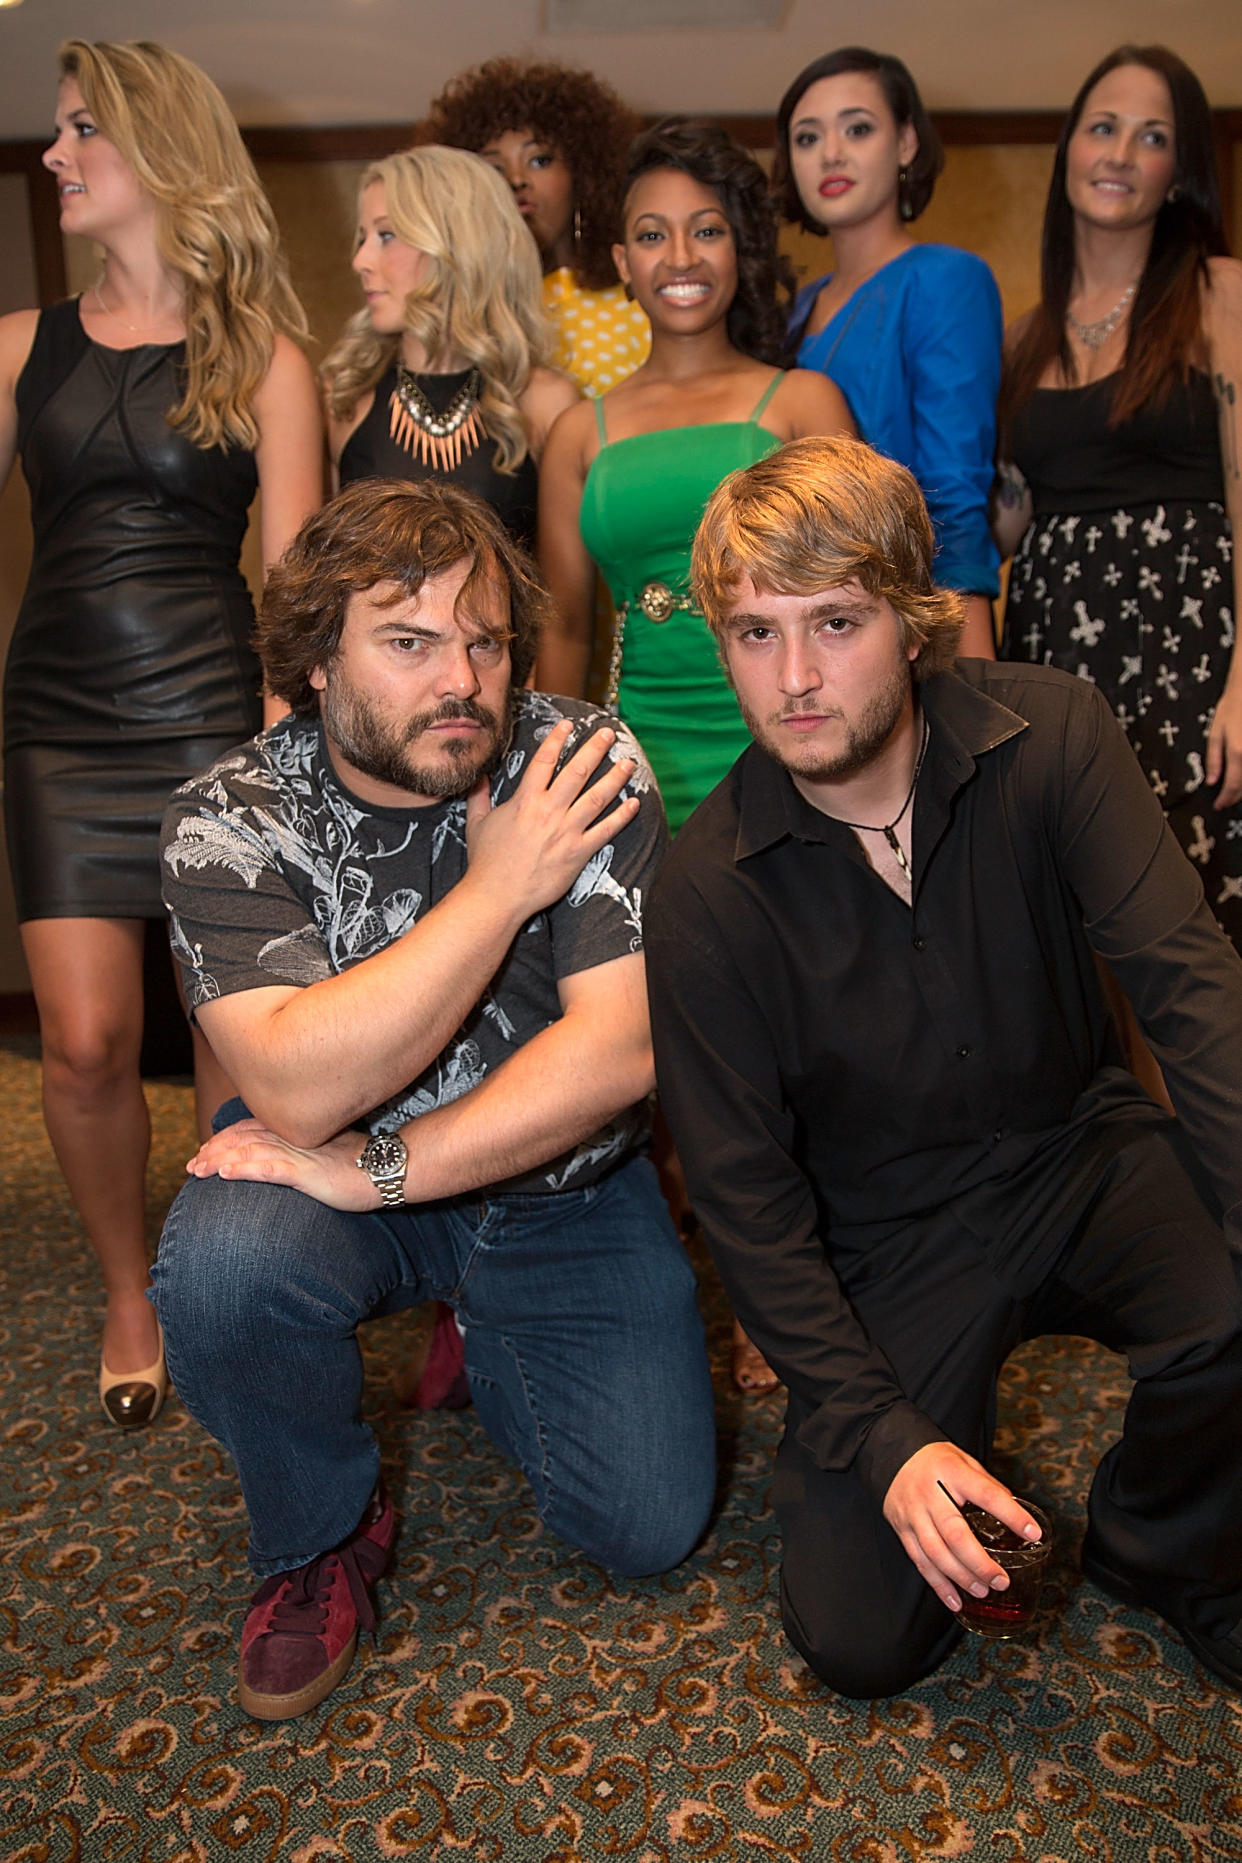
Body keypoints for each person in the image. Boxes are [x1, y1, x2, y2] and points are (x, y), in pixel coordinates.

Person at [646, 434, 1242, 1700]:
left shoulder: (1056, 737)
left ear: (914, 622)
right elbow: (750, 1215)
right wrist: (885, 1438)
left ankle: (1157, 1541)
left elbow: (1193, 995)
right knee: (866, 1639)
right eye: (756, 634)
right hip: (887, 1239)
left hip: (1081, 1152)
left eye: (836, 623)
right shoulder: (703, 893)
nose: (796, 678)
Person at [151, 476, 715, 1723]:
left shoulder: (579, 759)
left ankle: (488, 1323)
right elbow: (295, 1087)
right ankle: (318, 1537)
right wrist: (499, 887)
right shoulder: (226, 821)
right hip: (341, 1189)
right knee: (225, 1268)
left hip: (563, 1185)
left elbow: (620, 1053)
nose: (460, 678)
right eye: (407, 642)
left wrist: (384, 1165)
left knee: (647, 1526)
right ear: (314, 661)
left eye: (484, 639)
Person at [0, 39, 322, 1430]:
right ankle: (130, 1286)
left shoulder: (265, 358)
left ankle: (210, 1283)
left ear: (161, 151)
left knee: (224, 1055)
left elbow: (299, 586)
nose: (56, 154)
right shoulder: (18, 345)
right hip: (57, 725)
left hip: (210, 726)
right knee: (80, 1041)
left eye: (81, 132)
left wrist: (272, 743)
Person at [538, 116, 852, 832]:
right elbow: (563, 633)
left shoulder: (806, 402)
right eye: (652, 235)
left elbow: (858, 601)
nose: (681, 256)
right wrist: (553, 780)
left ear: (739, 248)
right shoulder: (577, 433)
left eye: (706, 230)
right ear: (621, 260)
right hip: (636, 755)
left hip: (791, 734)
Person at [997, 45, 1242, 951]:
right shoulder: (1023, 336)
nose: (1120, 153)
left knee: (1198, 931)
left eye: (1152, 138)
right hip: (1057, 650)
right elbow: (1013, 517)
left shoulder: (1220, 294)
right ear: (1069, 149)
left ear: (1179, 175)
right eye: (1103, 128)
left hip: (1191, 649)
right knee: (1078, 943)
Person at [774, 47, 1001, 658]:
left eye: (858, 128)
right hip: (810, 621)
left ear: (906, 143)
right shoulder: (795, 310)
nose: (831, 153)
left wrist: (971, 674)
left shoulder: (946, 278)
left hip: (913, 622)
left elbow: (953, 488)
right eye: (806, 137)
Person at [323, 144, 578, 548]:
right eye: (363, 238)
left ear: (457, 245)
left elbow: (562, 600)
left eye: (386, 235)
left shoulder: (546, 403)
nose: (360, 260)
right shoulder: (343, 398)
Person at [424, 57, 650, 396]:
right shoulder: (466, 315)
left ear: (584, 174)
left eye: (539, 160)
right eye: (495, 169)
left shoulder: (642, 295)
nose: (517, 179)